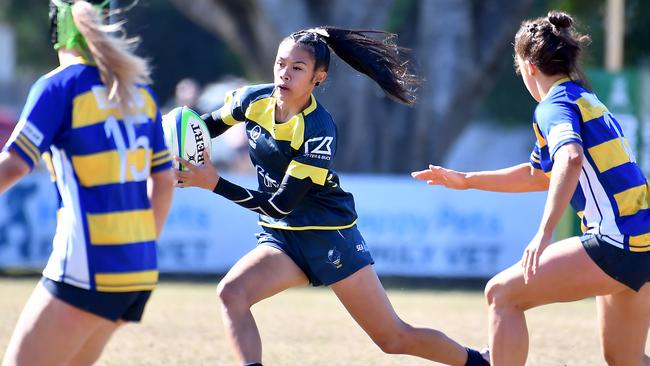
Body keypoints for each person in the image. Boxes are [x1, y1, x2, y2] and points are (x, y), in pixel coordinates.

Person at [175, 26, 489, 366]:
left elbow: (282, 203)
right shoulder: (252, 100)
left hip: (328, 235)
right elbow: (202, 127)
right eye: (281, 63)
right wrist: (168, 138)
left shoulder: (318, 130)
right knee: (232, 293)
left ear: (318, 77)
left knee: (393, 337)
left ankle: (480, 362)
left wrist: (213, 183)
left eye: (297, 68)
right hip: (282, 237)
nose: (284, 73)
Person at [412, 11, 650, 366]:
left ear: (528, 66)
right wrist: (468, 180)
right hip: (642, 242)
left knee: (501, 295)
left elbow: (569, 159)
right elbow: (540, 174)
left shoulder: (554, 106)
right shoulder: (584, 99)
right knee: (625, 360)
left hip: (617, 242)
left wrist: (544, 233)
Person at [0, 1, 174, 365]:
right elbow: (163, 180)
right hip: (138, 268)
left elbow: (13, 165)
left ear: (57, 28)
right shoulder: (139, 89)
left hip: (86, 266)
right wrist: (141, 245)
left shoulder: (59, 87)